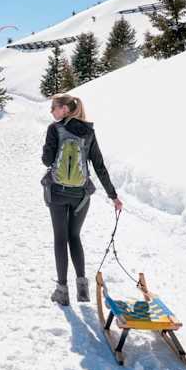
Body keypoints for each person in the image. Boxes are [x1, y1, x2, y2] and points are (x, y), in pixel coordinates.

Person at [41, 93, 122, 306]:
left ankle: (62, 291)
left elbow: (47, 160)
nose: (52, 112)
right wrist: (113, 195)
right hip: (80, 195)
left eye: (54, 108)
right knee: (74, 236)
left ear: (65, 109)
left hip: (57, 192)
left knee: (60, 239)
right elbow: (99, 165)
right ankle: (82, 288)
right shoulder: (89, 132)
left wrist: (49, 149)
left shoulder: (54, 129)